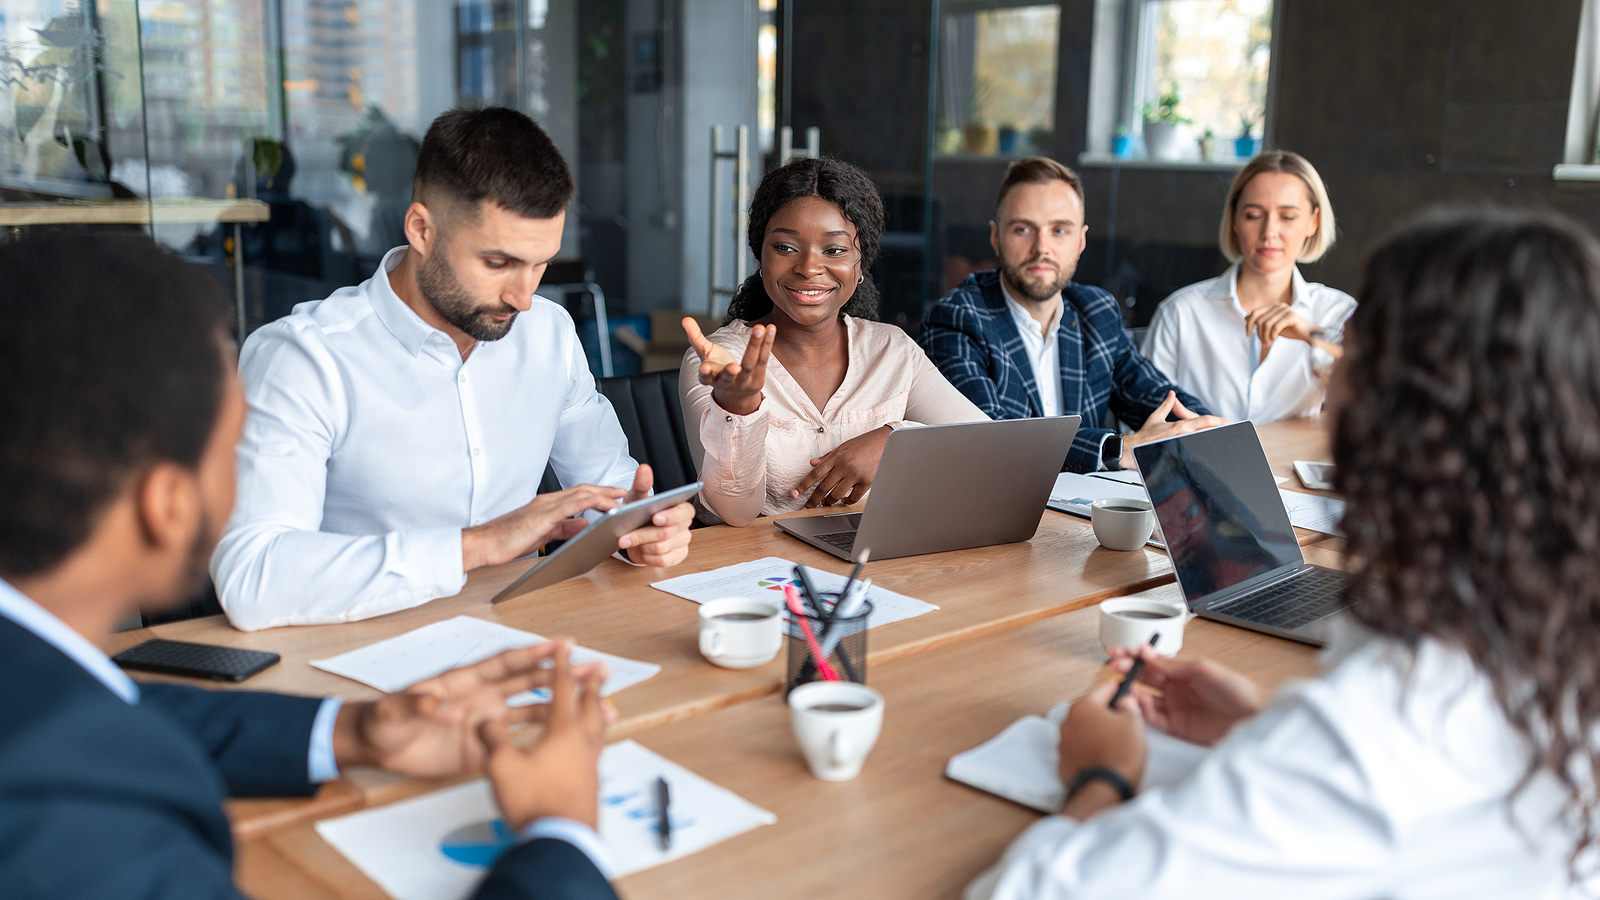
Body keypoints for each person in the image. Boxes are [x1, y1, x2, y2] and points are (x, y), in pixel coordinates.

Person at [968, 208, 1600, 899]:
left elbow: (1028, 890)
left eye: (1350, 361)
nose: (1330, 399)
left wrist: (1102, 773)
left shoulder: (1381, 726)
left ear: (1407, 416)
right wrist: (1268, 726)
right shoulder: (1549, 624)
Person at [0, 233, 620, 900]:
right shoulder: (72, 835)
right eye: (234, 446)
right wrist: (562, 833)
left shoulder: (40, 692)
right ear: (168, 505)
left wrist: (353, 730)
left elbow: (103, 714)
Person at [212, 107, 694, 631]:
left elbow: (609, 488)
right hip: (357, 651)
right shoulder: (304, 359)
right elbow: (252, 577)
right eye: (497, 263)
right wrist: (478, 547)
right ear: (422, 229)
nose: (524, 297)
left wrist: (643, 529)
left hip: (520, 634)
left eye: (540, 264)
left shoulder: (548, 334)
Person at [680, 156, 987, 526]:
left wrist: (894, 440)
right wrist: (739, 407)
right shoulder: (719, 361)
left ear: (861, 263)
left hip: (878, 561)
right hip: (767, 572)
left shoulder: (892, 351)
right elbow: (734, 512)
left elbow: (988, 446)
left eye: (835, 250)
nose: (809, 268)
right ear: (761, 255)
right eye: (785, 248)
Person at [921, 157, 1225, 473]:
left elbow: (1155, 396)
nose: (1042, 248)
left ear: (1080, 240)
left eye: (1059, 230)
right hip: (998, 508)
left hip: (1085, 510)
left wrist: (1202, 429)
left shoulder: (1096, 311)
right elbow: (992, 439)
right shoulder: (956, 318)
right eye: (1023, 229)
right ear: (996, 238)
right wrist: (1118, 448)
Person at [1141, 151, 1354, 423]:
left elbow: (1383, 394)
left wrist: (1311, 334)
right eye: (1254, 215)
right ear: (1234, 219)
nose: (1269, 232)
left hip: (1292, 465)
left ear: (1312, 221)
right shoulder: (1180, 313)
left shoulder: (1339, 312)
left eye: (1287, 216)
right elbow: (1145, 423)